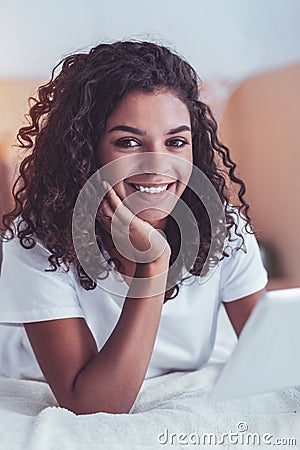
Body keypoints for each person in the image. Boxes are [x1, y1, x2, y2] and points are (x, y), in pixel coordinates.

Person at [0, 41, 268, 415]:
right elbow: (93, 404)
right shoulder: (37, 240)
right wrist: (154, 264)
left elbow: (275, 357)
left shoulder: (223, 228)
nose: (158, 164)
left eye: (176, 141)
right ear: (84, 151)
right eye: (128, 142)